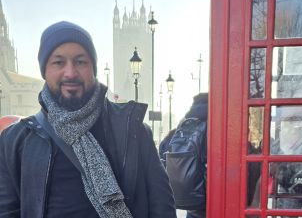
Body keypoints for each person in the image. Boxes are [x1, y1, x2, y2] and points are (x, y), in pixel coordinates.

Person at [0, 21, 176, 218]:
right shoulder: (14, 141)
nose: (71, 72)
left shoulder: (133, 132)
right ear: (45, 71)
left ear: (93, 68)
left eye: (80, 61)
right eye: (59, 62)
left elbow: (162, 208)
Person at [163, 92, 208, 218]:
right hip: (207, 196)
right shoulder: (213, 121)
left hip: (188, 195)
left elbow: (166, 148)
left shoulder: (185, 122)